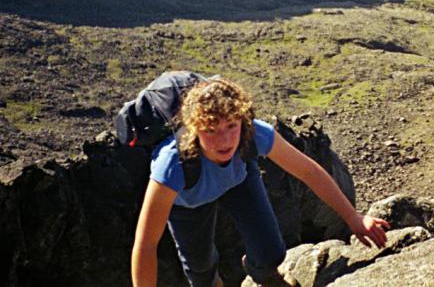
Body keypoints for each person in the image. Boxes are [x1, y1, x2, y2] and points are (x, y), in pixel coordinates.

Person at [131, 78, 389, 286]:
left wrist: (354, 218)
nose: (224, 140)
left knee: (271, 252)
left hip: (238, 181)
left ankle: (263, 276)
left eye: (231, 125)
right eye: (210, 129)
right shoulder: (172, 165)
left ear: (242, 120)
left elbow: (308, 172)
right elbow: (146, 243)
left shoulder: (253, 133)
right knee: (200, 271)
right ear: (193, 128)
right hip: (188, 202)